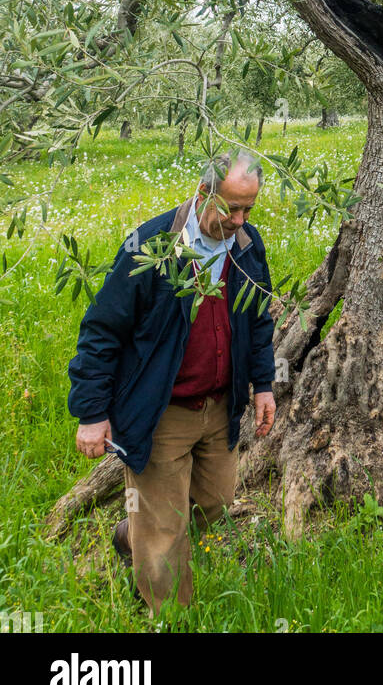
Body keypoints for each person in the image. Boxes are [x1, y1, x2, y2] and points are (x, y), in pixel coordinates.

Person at [68, 149, 277, 614]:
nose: (240, 219)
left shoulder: (246, 246)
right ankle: (173, 620)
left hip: (221, 409)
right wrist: (91, 411)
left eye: (249, 209)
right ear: (204, 192)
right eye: (232, 208)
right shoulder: (151, 246)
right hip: (161, 413)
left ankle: (130, 535)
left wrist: (262, 384)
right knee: (163, 532)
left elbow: (258, 319)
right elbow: (103, 329)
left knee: (215, 505)